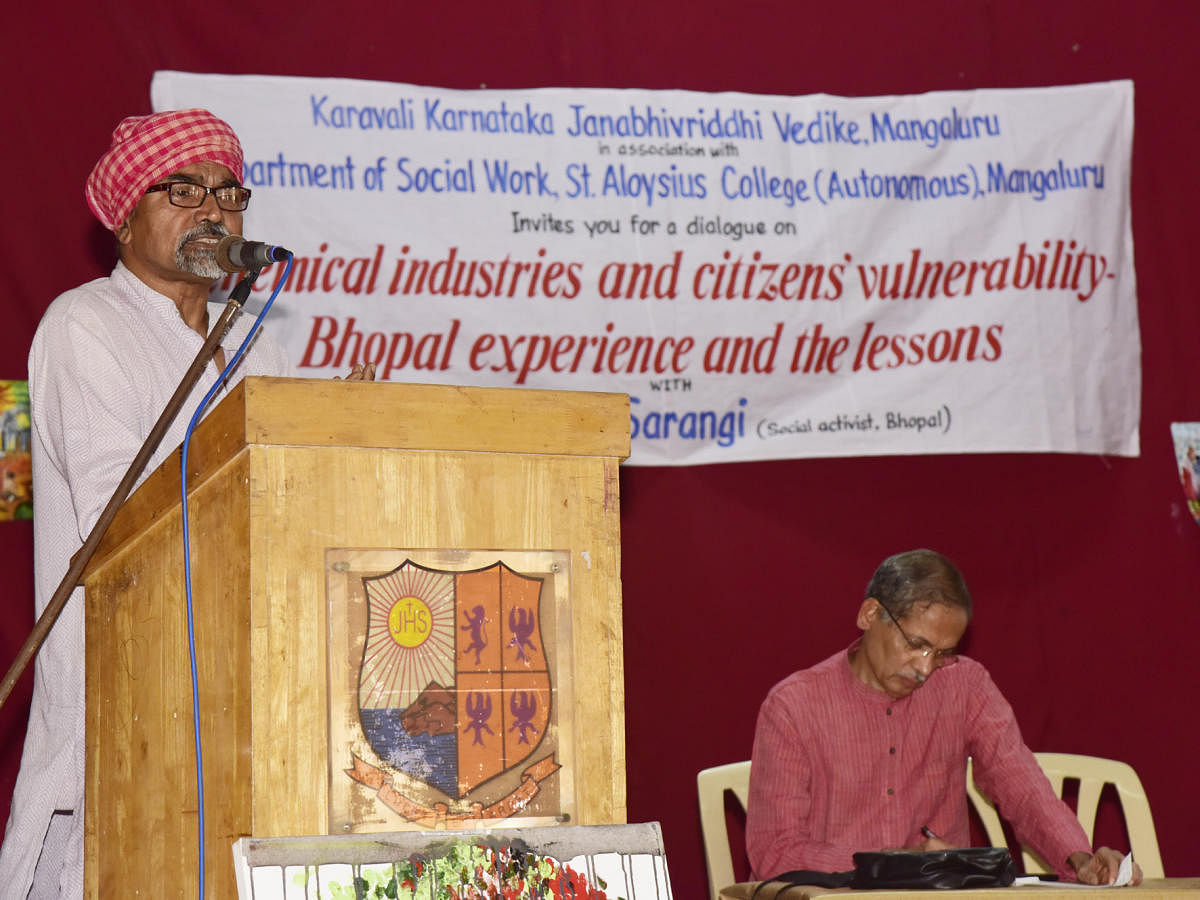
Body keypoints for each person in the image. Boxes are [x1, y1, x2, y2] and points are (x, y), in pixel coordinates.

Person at [0, 108, 370, 898]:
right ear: (126, 218)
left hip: (252, 695)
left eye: (228, 193)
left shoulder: (256, 345)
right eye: (183, 190)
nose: (213, 211)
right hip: (131, 698)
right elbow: (127, 519)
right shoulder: (84, 325)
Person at [746, 548, 1142, 886]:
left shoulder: (964, 685)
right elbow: (774, 851)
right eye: (916, 644)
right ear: (870, 615)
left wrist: (1080, 859)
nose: (924, 667)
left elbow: (1020, 784)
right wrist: (889, 862)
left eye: (941, 653)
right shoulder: (794, 707)